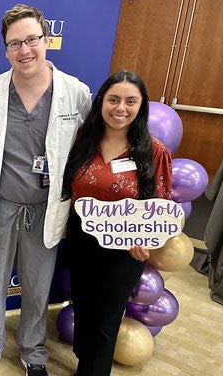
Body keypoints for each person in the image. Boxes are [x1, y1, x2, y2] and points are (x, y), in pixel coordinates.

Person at [0, 4, 91, 376]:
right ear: (5, 49)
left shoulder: (75, 93)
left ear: (47, 39)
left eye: (32, 40)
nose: (25, 50)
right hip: (1, 203)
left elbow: (89, 147)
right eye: (14, 43)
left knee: (38, 287)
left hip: (46, 207)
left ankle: (33, 352)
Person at [61, 70, 172, 376]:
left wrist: (147, 239)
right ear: (101, 102)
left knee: (106, 320)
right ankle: (86, 361)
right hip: (82, 241)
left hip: (125, 250)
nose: (120, 108)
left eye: (130, 101)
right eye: (113, 99)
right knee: (83, 309)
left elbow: (160, 206)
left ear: (141, 106)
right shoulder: (84, 139)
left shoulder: (154, 151)